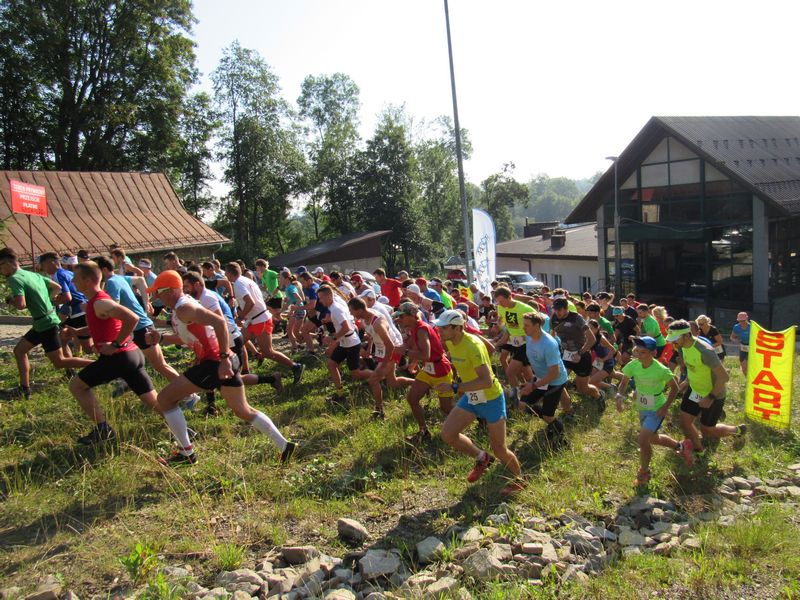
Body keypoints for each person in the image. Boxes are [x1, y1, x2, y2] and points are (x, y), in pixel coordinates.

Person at [148, 270, 296, 466]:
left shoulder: (184, 308)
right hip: (218, 361)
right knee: (243, 410)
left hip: (215, 363)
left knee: (165, 399)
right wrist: (161, 338)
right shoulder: (180, 309)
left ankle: (186, 454)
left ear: (171, 290)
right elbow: (188, 338)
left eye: (158, 292)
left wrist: (225, 357)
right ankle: (285, 446)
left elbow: (219, 322)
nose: (156, 298)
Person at [64, 262, 160, 444]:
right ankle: (184, 429)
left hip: (119, 357)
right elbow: (100, 326)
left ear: (87, 280)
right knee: (152, 400)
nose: (73, 281)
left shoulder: (100, 302)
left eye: (75, 278)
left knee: (76, 386)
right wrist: (76, 332)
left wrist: (115, 345)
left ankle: (103, 430)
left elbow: (132, 318)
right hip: (131, 355)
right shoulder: (96, 302)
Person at [434, 309, 525, 496]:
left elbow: (486, 381)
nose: (439, 331)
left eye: (443, 328)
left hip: (491, 398)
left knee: (500, 449)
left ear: (457, 328)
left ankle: (520, 480)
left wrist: (454, 387)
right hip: (472, 396)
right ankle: (482, 458)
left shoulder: (473, 346)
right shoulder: (451, 341)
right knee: (448, 434)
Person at [0, 248, 92, 397]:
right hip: (42, 322)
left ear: (8, 263)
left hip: (46, 324)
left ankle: (101, 366)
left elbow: (21, 305)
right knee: (19, 350)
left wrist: (10, 300)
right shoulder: (32, 274)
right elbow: (56, 288)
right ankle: (24, 389)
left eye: (0, 266)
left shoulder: (15, 278)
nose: (0, 271)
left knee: (59, 362)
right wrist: (47, 301)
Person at [667, 320, 746, 462]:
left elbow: (724, 377)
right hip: (695, 389)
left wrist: (710, 397)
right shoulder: (681, 347)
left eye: (675, 339)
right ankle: (698, 452)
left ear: (687, 335)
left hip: (714, 393)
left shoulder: (705, 351)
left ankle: (737, 430)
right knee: (684, 422)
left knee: (707, 431)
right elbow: (694, 367)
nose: (672, 343)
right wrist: (687, 381)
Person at [615, 336, 684, 486]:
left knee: (642, 440)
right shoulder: (634, 365)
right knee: (653, 439)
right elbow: (624, 382)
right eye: (637, 351)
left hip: (656, 408)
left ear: (653, 353)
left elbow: (675, 388)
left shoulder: (661, 370)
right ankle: (679, 446)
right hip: (642, 407)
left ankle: (644, 472)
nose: (639, 355)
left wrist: (664, 407)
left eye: (643, 352)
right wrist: (619, 396)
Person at [225, 262, 304, 384]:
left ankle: (295, 366)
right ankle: (235, 375)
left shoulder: (238, 284)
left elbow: (250, 302)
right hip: (254, 319)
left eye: (226, 273)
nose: (225, 275)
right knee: (237, 343)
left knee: (268, 352)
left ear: (230, 273)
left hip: (259, 320)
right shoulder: (247, 281)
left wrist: (240, 316)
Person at [394, 302, 454, 443]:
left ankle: (474, 417)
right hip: (428, 369)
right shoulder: (414, 327)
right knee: (412, 399)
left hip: (440, 370)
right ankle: (424, 431)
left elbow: (425, 354)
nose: (399, 319)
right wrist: (408, 355)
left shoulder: (421, 329)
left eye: (401, 316)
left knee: (445, 408)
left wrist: (405, 352)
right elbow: (414, 346)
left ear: (411, 316)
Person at [347, 295, 411, 418]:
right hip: (383, 351)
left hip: (392, 350)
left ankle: (379, 411)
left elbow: (391, 346)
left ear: (359, 310)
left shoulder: (377, 322)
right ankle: (421, 384)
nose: (350, 313)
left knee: (373, 380)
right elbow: (371, 335)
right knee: (392, 382)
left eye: (351, 311)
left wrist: (383, 365)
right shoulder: (364, 319)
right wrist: (369, 348)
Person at [317, 284, 370, 404]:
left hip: (351, 343)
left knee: (355, 373)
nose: (320, 301)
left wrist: (333, 338)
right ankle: (340, 394)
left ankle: (379, 376)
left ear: (329, 296)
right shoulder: (334, 306)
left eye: (321, 298)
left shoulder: (336, 309)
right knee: (332, 364)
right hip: (345, 342)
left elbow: (346, 327)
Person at [519, 312, 569, 441]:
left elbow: (554, 373)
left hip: (556, 380)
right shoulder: (529, 337)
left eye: (527, 325)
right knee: (523, 405)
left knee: (547, 416)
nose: (523, 328)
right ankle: (552, 422)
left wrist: (533, 386)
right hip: (541, 378)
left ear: (537, 326)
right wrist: (532, 380)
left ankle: (561, 437)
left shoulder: (549, 344)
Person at [550, 298, 605, 409]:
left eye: (559, 310)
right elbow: (552, 336)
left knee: (582, 389)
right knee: (558, 381)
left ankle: (599, 396)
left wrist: (579, 353)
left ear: (566, 308)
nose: (557, 312)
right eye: (555, 310)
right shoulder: (554, 318)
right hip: (566, 355)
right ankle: (567, 407)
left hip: (582, 356)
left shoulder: (577, 318)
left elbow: (592, 339)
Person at [38, 252, 92, 355]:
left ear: (52, 263)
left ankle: (111, 354)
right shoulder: (68, 273)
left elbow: (68, 297)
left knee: (88, 348)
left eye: (44, 265)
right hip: (82, 308)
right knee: (62, 338)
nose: (44, 269)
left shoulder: (58, 275)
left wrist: (51, 303)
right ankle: (69, 363)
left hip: (78, 312)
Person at [494, 287, 535, 402]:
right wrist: (499, 327)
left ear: (509, 297)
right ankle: (533, 393)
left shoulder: (525, 309)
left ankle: (516, 397)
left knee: (510, 372)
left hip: (526, 343)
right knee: (527, 373)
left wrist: (525, 337)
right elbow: (505, 324)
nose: (500, 304)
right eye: (498, 301)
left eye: (502, 301)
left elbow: (539, 325)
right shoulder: (501, 307)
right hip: (514, 342)